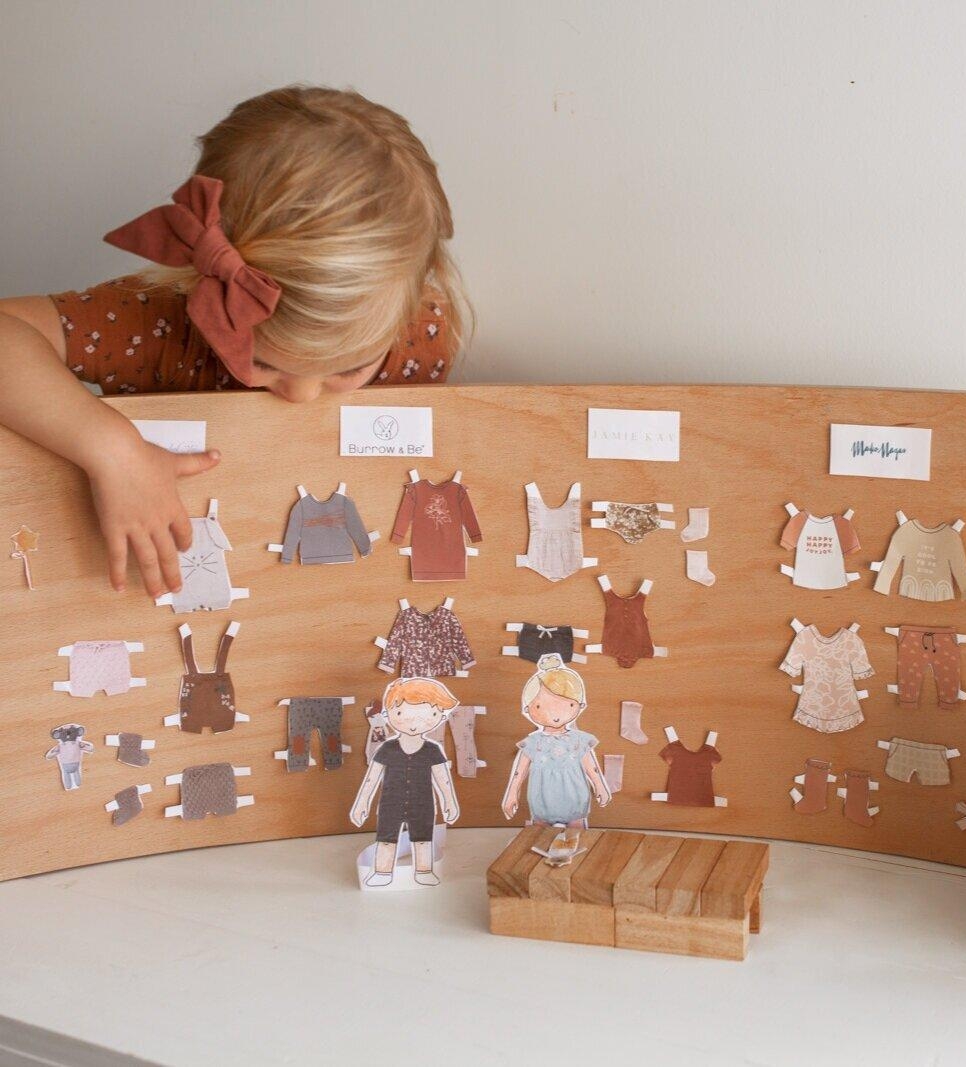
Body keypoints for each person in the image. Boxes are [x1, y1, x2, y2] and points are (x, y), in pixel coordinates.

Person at [0, 86, 468, 599]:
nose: (302, 395)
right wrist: (111, 450)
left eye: (348, 368)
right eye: (262, 362)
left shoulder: (421, 334)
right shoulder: (153, 321)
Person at [350, 677, 460, 887]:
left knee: (423, 839)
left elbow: (443, 779)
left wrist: (450, 801)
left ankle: (424, 871)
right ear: (389, 713)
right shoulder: (386, 749)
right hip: (390, 804)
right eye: (402, 714)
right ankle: (382, 873)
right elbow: (372, 778)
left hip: (423, 804)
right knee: (386, 839)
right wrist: (362, 802)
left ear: (439, 716)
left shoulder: (433, 750)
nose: (414, 723)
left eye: (428, 715)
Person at [501, 654, 611, 862]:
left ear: (578, 705)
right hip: (542, 799)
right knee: (539, 835)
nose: (554, 714)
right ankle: (536, 863)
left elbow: (591, 767)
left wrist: (600, 785)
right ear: (529, 709)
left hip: (574, 796)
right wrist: (512, 793)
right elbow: (519, 771)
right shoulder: (533, 743)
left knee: (576, 833)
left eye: (566, 705)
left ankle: (575, 862)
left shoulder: (579, 740)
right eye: (540, 706)